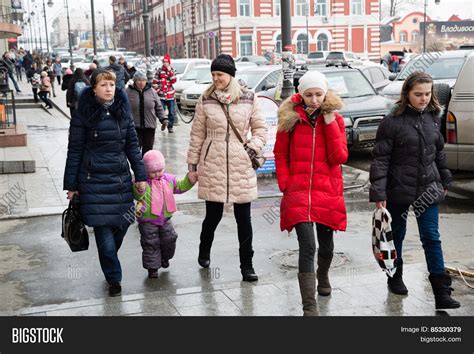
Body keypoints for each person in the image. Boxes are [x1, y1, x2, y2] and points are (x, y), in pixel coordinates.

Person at [369, 71, 460, 310]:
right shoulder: (392, 121)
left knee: (431, 237)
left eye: (427, 94)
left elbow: (438, 152)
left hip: (428, 187)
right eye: (418, 94)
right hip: (398, 188)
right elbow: (380, 159)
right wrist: (379, 193)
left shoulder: (433, 117)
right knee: (396, 235)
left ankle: (441, 293)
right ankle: (395, 277)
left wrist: (445, 180)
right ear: (407, 93)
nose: (423, 98)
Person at [63, 68, 147, 297]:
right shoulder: (83, 113)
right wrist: (71, 185)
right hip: (93, 181)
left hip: (120, 180)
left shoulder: (123, 109)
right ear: (94, 88)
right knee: (104, 236)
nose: (109, 89)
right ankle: (114, 279)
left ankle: (109, 261)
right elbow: (75, 150)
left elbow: (132, 145)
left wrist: (141, 177)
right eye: (103, 85)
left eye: (111, 84)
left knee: (121, 227)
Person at [186, 54, 267, 282]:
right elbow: (197, 135)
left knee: (244, 219)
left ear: (230, 75)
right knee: (213, 216)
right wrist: (192, 166)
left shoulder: (250, 98)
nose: (215, 78)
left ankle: (247, 266)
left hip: (241, 163)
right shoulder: (206, 99)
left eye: (219, 74)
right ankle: (204, 250)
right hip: (213, 163)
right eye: (213, 74)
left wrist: (253, 145)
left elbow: (261, 129)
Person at [273, 71, 348, 316]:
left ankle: (323, 275)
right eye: (309, 94)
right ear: (301, 94)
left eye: (318, 94)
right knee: (308, 247)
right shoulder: (289, 119)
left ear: (325, 93)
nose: (314, 99)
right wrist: (286, 183)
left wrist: (328, 123)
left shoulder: (335, 119)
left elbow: (340, 157)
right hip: (298, 191)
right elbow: (281, 154)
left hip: (327, 190)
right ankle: (309, 307)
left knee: (326, 247)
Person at [133, 150, 196, 278]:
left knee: (170, 238)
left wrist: (189, 181)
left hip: (165, 218)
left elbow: (180, 186)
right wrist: (139, 188)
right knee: (150, 243)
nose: (157, 174)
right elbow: (137, 194)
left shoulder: (168, 179)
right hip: (147, 220)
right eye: (153, 172)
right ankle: (152, 268)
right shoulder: (142, 182)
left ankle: (164, 257)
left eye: (160, 170)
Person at [126, 71, 167, 156]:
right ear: (135, 81)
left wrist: (163, 119)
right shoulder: (128, 92)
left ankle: (147, 167)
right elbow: (123, 108)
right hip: (134, 127)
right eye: (139, 80)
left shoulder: (152, 91)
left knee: (148, 151)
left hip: (150, 126)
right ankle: (137, 168)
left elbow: (159, 107)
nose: (142, 83)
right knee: (135, 150)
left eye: (144, 80)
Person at [153, 54, 177, 133]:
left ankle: (170, 127)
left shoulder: (172, 70)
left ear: (169, 63)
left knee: (172, 112)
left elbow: (173, 80)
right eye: (164, 62)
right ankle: (164, 123)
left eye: (167, 62)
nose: (165, 63)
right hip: (161, 95)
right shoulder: (159, 71)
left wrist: (169, 71)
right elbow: (155, 82)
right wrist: (158, 88)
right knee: (161, 112)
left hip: (170, 95)